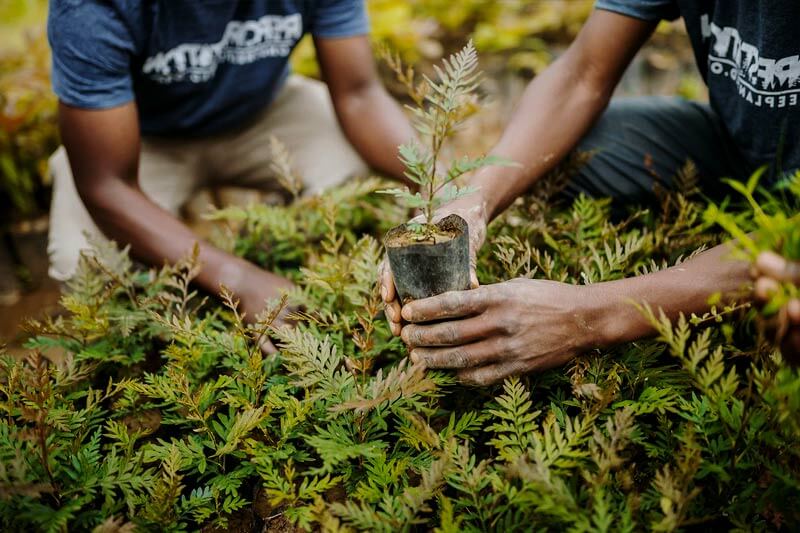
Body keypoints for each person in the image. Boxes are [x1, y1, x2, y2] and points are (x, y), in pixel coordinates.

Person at [381, 1, 800, 384]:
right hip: (741, 147)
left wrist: (587, 315)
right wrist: (474, 200)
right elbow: (582, 74)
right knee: (570, 148)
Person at [47, 0, 414, 347]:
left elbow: (359, 95)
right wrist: (237, 279)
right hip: (141, 137)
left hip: (264, 112)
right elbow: (106, 183)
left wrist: (436, 184)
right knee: (87, 264)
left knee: (359, 183)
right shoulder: (91, 8)